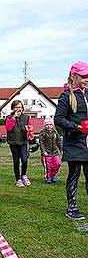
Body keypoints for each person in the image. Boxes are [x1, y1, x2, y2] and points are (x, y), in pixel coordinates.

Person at [54, 61, 88, 220]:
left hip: (87, 142)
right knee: (74, 174)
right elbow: (58, 119)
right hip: (74, 141)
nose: (87, 79)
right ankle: (72, 208)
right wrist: (76, 127)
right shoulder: (66, 95)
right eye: (84, 76)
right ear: (73, 76)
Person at [5, 100, 31, 187]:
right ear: (13, 108)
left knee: (24, 160)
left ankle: (23, 175)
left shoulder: (26, 117)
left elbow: (29, 128)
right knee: (16, 161)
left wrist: (29, 132)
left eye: (20, 107)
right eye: (16, 107)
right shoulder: (9, 117)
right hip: (13, 142)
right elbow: (9, 128)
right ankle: (18, 179)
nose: (18, 109)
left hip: (23, 141)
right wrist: (13, 118)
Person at [39, 118, 62, 184]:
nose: (49, 126)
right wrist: (43, 151)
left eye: (50, 124)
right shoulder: (43, 133)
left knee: (57, 164)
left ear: (53, 125)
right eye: (47, 125)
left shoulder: (55, 133)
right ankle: (48, 177)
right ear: (44, 126)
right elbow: (41, 143)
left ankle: (53, 175)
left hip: (54, 153)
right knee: (48, 167)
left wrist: (61, 149)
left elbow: (59, 142)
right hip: (46, 153)